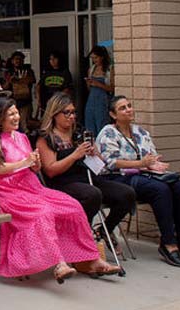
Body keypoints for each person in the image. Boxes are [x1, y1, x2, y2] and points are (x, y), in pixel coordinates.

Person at [0, 98, 121, 281]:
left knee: (73, 207)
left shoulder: (21, 137)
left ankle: (91, 258)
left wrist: (35, 165)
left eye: (16, 113)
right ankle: (58, 263)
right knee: (43, 213)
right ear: (0, 117)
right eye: (11, 114)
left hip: (33, 187)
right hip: (11, 192)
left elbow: (33, 168)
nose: (16, 117)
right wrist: (24, 162)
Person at [97, 95, 180, 266]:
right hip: (119, 177)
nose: (128, 110)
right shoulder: (108, 132)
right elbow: (110, 162)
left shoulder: (140, 132)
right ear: (113, 114)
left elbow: (150, 156)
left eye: (129, 106)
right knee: (160, 190)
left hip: (145, 173)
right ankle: (168, 244)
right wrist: (141, 164)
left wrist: (155, 164)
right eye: (122, 108)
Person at [35, 94, 136, 236]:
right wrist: (75, 155)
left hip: (87, 178)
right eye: (66, 112)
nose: (71, 116)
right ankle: (81, 234)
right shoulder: (46, 138)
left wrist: (94, 153)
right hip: (62, 183)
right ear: (54, 114)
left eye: (73, 112)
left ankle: (104, 231)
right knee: (92, 195)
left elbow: (101, 165)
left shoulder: (79, 132)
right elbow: (51, 170)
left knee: (127, 193)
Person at [83, 45, 114, 135]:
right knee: (90, 126)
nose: (94, 60)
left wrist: (98, 84)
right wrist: (89, 83)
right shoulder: (92, 69)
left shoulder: (109, 70)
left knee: (102, 125)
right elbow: (89, 89)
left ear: (102, 57)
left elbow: (112, 88)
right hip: (91, 101)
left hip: (104, 101)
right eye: (92, 58)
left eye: (96, 58)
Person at [7, 51, 37, 130]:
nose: (18, 61)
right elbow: (5, 86)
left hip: (25, 102)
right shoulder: (9, 72)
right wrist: (10, 80)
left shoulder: (28, 71)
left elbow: (33, 80)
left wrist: (18, 80)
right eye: (16, 59)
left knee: (25, 125)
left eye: (20, 59)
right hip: (12, 102)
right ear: (12, 61)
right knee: (13, 124)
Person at [37, 52, 73, 116]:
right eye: (50, 59)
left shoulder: (65, 72)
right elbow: (39, 86)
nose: (52, 61)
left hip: (59, 101)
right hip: (46, 101)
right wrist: (39, 100)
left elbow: (67, 88)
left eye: (54, 59)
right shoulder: (47, 72)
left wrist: (57, 99)